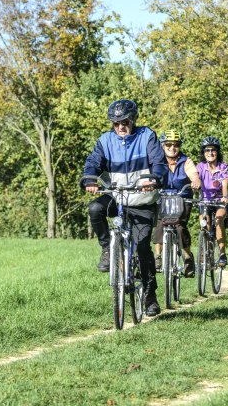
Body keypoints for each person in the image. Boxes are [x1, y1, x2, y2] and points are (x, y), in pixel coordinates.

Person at [81, 99, 168, 317]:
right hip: (117, 197)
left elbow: (159, 163)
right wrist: (89, 180)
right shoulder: (105, 140)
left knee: (142, 247)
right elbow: (93, 162)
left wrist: (154, 177)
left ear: (133, 120)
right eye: (116, 123)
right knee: (95, 210)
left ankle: (150, 296)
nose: (120, 126)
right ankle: (107, 249)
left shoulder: (147, 136)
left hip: (142, 200)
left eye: (125, 122)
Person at [153, 130, 201, 278]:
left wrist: (195, 180)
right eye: (168, 144)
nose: (172, 148)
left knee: (180, 226)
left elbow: (193, 173)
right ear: (163, 145)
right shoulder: (157, 161)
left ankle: (187, 259)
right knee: (160, 224)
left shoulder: (186, 161)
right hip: (162, 198)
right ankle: (157, 257)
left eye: (176, 145)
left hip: (182, 198)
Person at [196, 136, 228, 267]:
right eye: (207, 150)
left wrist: (225, 197)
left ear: (217, 152)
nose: (210, 153)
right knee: (205, 224)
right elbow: (195, 179)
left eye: (213, 150)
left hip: (219, 201)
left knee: (218, 219)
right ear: (203, 153)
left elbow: (225, 185)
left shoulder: (223, 166)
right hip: (204, 201)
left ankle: (222, 254)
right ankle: (205, 253)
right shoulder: (199, 167)